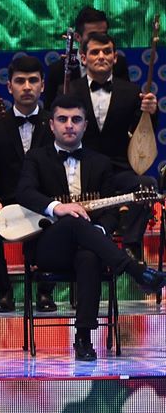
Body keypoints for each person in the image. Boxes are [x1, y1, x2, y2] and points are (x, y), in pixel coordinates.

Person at [16, 95, 166, 360]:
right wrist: (57, 207)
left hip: (87, 246)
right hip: (48, 247)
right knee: (74, 220)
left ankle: (83, 338)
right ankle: (135, 270)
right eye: (62, 119)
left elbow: (110, 213)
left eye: (76, 119)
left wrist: (98, 232)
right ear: (51, 125)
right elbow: (24, 192)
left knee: (89, 257)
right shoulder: (36, 158)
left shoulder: (100, 162)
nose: (69, 125)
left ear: (85, 125)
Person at [68, 31, 158, 262]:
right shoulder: (69, 90)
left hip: (119, 170)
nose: (101, 56)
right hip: (80, 172)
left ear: (115, 57)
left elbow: (142, 133)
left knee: (147, 185)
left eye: (107, 51)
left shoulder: (131, 91)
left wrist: (150, 113)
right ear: (83, 58)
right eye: (95, 52)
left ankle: (130, 246)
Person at [0, 56, 55, 313]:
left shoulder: (55, 123)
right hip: (7, 199)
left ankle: (45, 291)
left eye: (33, 80)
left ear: (42, 85)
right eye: (20, 81)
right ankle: (4, 291)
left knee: (56, 217)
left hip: (44, 200)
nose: (27, 87)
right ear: (9, 87)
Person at [43, 6, 130, 109]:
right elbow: (50, 110)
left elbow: (126, 103)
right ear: (77, 37)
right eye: (93, 35)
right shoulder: (58, 70)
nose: (99, 40)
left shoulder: (118, 64)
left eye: (103, 34)